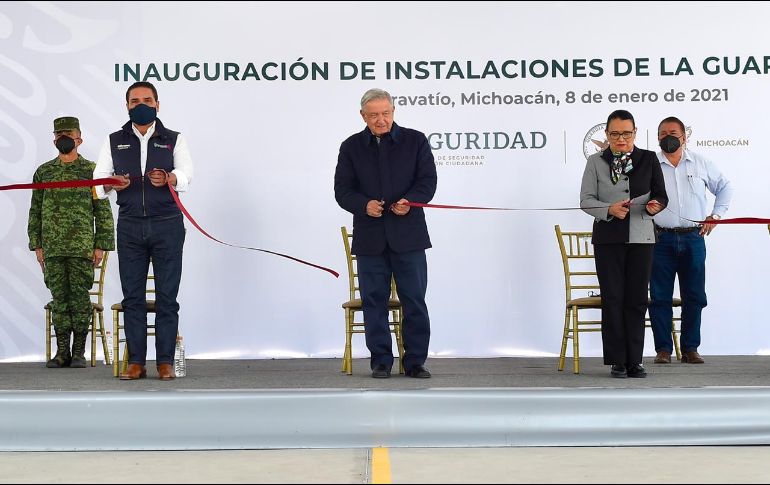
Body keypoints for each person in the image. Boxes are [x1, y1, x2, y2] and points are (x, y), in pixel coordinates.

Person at [334, 88, 438, 379]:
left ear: (393, 111)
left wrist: (410, 201)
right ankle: (380, 361)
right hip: (370, 238)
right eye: (374, 115)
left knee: (414, 301)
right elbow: (342, 190)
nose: (381, 120)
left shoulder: (415, 141)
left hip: (409, 236)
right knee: (374, 302)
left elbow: (427, 182)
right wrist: (363, 205)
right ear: (363, 116)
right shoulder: (351, 147)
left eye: (385, 113)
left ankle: (415, 362)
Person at [94, 81, 193, 380]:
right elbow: (98, 182)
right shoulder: (114, 140)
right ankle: (136, 362)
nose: (141, 105)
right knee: (132, 297)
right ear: (127, 106)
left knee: (167, 298)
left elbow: (187, 174)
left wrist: (171, 178)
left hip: (168, 224)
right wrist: (112, 183)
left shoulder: (174, 139)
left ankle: (165, 362)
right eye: (135, 101)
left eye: (147, 100)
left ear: (158, 105)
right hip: (130, 225)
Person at [580, 109, 668, 378]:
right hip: (608, 240)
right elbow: (586, 200)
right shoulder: (595, 161)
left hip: (642, 238)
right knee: (613, 299)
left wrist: (655, 206)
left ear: (635, 133)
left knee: (637, 300)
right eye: (615, 134)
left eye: (626, 133)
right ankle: (617, 360)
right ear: (606, 134)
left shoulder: (649, 159)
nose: (621, 139)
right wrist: (609, 209)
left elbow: (661, 196)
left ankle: (635, 360)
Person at [28, 116, 115, 368]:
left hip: (81, 248)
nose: (64, 139)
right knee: (59, 299)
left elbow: (103, 212)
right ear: (54, 139)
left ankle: (79, 352)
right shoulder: (44, 172)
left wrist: (100, 245)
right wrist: (37, 245)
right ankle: (62, 352)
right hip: (53, 248)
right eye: (59, 135)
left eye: (68, 134)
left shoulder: (91, 171)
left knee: (79, 299)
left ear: (79, 139)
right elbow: (35, 211)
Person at [650, 116, 733, 365]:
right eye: (663, 134)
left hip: (693, 238)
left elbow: (725, 187)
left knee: (694, 295)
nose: (668, 138)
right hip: (659, 239)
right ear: (657, 138)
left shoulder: (700, 162)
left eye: (673, 133)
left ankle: (690, 348)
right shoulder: (650, 165)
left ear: (684, 137)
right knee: (659, 297)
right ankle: (663, 350)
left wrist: (715, 216)